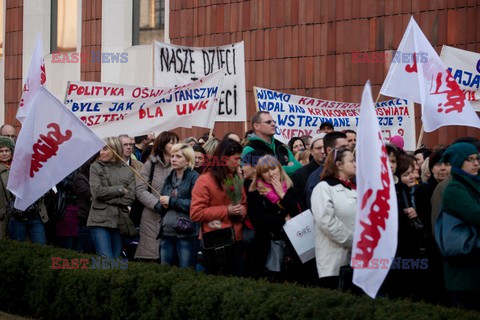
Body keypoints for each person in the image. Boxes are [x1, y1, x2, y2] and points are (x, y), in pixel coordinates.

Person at [190, 139, 247, 276]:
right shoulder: (204, 180)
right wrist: (226, 210)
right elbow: (196, 213)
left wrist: (241, 211)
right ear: (224, 158)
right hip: (215, 241)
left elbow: (244, 203)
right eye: (236, 159)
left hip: (236, 239)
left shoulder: (236, 178)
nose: (239, 163)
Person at [380, 153, 430, 300]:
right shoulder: (393, 192)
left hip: (412, 250)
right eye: (406, 174)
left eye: (412, 172)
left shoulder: (414, 191)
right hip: (395, 252)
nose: (411, 177)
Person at [247, 155, 303, 280]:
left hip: (292, 243)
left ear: (279, 169)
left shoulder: (290, 186)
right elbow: (258, 219)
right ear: (261, 174)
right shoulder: (255, 192)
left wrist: (282, 195)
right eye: (266, 171)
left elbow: (298, 212)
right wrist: (283, 220)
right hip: (268, 244)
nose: (271, 173)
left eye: (274, 169)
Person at [440, 142, 480, 311]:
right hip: (464, 269)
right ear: (458, 162)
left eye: (477, 158)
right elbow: (476, 215)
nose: (476, 163)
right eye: (470, 159)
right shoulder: (455, 188)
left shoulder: (473, 182)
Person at [311, 147, 356, 289]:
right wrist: (353, 241)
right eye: (351, 160)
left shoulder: (354, 188)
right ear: (339, 164)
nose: (355, 164)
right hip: (333, 260)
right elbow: (326, 221)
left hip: (356, 259)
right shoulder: (323, 188)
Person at [87, 137, 136, 258]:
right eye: (100, 149)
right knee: (106, 259)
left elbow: (130, 198)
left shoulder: (128, 170)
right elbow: (97, 192)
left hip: (120, 221)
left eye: (105, 149)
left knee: (117, 260)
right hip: (99, 220)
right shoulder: (95, 167)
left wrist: (107, 197)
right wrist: (119, 190)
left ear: (115, 150)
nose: (101, 152)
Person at [135, 131, 178, 261]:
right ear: (163, 143)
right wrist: (156, 204)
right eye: (172, 142)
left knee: (172, 260)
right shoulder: (150, 164)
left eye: (177, 142)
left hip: (173, 215)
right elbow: (140, 189)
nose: (175, 145)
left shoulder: (181, 164)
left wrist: (173, 202)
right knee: (152, 257)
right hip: (151, 216)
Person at [158, 143, 199, 268]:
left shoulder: (195, 177)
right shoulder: (169, 177)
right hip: (166, 231)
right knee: (165, 272)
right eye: (172, 156)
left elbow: (196, 204)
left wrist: (171, 202)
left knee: (185, 272)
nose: (174, 159)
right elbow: (163, 201)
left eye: (178, 156)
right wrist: (161, 205)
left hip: (186, 233)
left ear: (187, 160)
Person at [242, 111, 301, 176]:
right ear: (256, 126)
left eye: (274, 121)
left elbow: (299, 167)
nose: (273, 124)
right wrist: (286, 168)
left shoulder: (281, 146)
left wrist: (276, 169)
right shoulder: (250, 148)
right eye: (268, 122)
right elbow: (255, 174)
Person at [304, 132, 349, 209]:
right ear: (329, 150)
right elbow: (319, 212)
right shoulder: (317, 178)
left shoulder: (351, 173)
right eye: (343, 147)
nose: (347, 151)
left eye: (347, 147)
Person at [291, 134, 325, 209]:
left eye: (325, 147)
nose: (322, 151)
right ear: (311, 151)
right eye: (318, 148)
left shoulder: (339, 171)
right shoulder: (299, 175)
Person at [74, 154, 98, 253]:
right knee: (90, 254)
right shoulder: (81, 178)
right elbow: (91, 196)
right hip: (87, 221)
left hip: (101, 221)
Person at [0, 137, 14, 239]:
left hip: (17, 215)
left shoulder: (18, 167)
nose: (4, 154)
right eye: (1, 151)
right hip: (2, 215)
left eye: (7, 150)